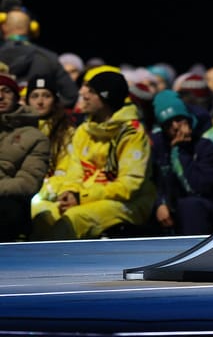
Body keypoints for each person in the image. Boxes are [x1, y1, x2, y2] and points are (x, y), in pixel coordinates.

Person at [30, 67, 157, 239]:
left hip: (128, 204)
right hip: (85, 198)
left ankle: (55, 265)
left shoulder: (131, 133)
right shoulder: (84, 130)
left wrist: (81, 197)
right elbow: (74, 172)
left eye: (91, 92)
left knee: (73, 220)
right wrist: (69, 192)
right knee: (43, 214)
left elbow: (129, 186)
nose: (84, 95)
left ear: (106, 98)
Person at [150, 89, 213, 235]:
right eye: (168, 123)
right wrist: (160, 203)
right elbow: (153, 179)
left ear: (187, 116)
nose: (175, 126)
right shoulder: (159, 139)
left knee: (191, 206)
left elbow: (197, 187)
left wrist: (179, 151)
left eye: (178, 119)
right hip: (175, 204)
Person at [0, 70, 50, 241]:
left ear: (17, 98)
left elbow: (28, 183)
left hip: (9, 206)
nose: (0, 97)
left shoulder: (34, 137)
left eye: (6, 91)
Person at [0, 8, 79, 107]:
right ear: (32, 28)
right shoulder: (49, 58)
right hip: (38, 120)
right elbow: (71, 95)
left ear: (3, 27)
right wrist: (48, 108)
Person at [24, 69, 76, 204]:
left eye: (46, 96)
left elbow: (65, 171)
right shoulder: (18, 129)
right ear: (27, 101)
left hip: (50, 192)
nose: (40, 101)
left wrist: (45, 191)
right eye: (34, 96)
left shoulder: (66, 131)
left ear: (55, 100)